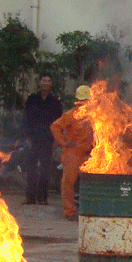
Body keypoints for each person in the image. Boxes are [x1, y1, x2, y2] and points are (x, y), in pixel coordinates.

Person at [50, 85, 95, 221]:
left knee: (91, 184)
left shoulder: (94, 116)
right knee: (68, 183)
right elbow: (55, 126)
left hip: (89, 154)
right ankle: (70, 212)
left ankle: (89, 210)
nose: (84, 106)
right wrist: (64, 142)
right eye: (82, 103)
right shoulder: (70, 115)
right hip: (73, 155)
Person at [21, 72, 62, 205]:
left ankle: (43, 198)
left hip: (47, 140)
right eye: (44, 80)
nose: (46, 83)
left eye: (48, 81)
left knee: (45, 170)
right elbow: (25, 119)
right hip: (33, 139)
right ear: (39, 83)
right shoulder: (32, 99)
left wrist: (57, 140)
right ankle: (30, 197)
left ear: (51, 84)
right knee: (31, 169)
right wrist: (26, 137)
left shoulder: (55, 102)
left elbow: (59, 122)